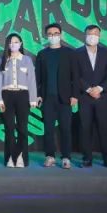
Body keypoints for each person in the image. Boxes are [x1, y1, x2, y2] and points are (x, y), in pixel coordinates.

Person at [71, 25, 107, 169]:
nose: (93, 36)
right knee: (85, 129)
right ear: (85, 35)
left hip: (102, 97)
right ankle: (87, 158)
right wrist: (88, 89)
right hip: (84, 97)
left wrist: (100, 88)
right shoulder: (76, 53)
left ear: (99, 35)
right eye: (90, 34)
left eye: (95, 34)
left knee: (104, 129)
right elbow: (75, 74)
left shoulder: (106, 52)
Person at [0, 33, 38, 168]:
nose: (13, 44)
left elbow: (32, 80)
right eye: (11, 42)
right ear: (7, 44)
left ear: (21, 44)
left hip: (23, 96)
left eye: (16, 42)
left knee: (22, 128)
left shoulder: (27, 60)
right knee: (9, 128)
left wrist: (33, 99)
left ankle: (20, 157)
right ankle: (10, 158)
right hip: (6, 96)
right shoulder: (1, 60)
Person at [34, 23, 73, 169]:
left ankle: (66, 157)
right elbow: (37, 77)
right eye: (50, 34)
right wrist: (38, 95)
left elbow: (75, 76)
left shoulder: (69, 53)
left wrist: (74, 95)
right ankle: (50, 156)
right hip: (47, 98)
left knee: (65, 129)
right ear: (46, 36)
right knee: (48, 129)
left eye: (56, 33)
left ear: (60, 35)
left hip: (65, 98)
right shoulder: (42, 54)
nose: (53, 36)